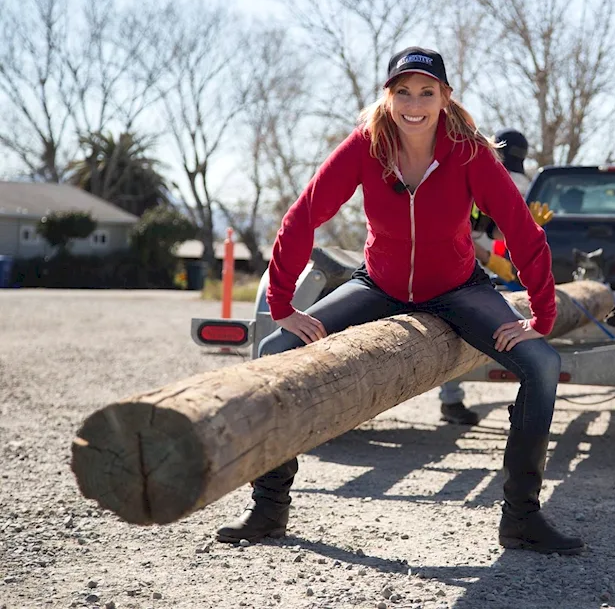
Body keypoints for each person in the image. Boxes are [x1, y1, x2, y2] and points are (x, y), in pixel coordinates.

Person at [215, 46, 584, 555]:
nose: (415, 103)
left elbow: (521, 230)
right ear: (388, 97)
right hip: (379, 285)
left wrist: (542, 313)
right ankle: (269, 507)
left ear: (445, 98)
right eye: (403, 92)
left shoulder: (469, 152)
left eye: (426, 92)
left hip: (458, 289)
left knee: (541, 364)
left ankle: (521, 517)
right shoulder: (365, 147)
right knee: (275, 352)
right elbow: (302, 217)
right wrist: (281, 304)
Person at [438, 127, 538, 425]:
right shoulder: (462, 177)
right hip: (440, 260)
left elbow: (491, 227)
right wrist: (490, 259)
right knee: (450, 326)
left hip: (464, 259)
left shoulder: (497, 182)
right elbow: (456, 233)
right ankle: (451, 400)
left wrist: (525, 224)